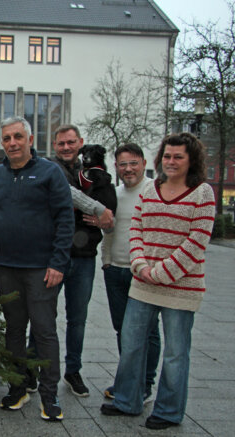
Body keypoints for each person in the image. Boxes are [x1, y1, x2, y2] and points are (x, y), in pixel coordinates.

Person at [100, 133, 215, 430]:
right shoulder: (151, 189)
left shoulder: (202, 193)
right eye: (167, 156)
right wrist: (140, 264)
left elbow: (197, 241)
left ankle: (168, 410)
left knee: (176, 353)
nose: (171, 161)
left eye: (178, 156)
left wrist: (161, 272)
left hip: (181, 287)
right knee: (132, 343)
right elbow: (135, 228)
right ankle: (127, 400)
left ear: (191, 160)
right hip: (143, 283)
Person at [0, 116, 74, 421]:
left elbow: (66, 221)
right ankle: (18, 387)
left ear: (30, 140)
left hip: (42, 270)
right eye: (6, 139)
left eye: (17, 137)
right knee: (14, 330)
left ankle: (49, 395)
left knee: (44, 332)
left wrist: (58, 263)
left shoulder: (50, 173)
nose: (12, 143)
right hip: (7, 268)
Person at [48, 124, 115, 397]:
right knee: (43, 316)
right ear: (55, 146)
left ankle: (73, 370)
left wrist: (104, 216)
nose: (66, 147)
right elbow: (63, 195)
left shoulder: (94, 172)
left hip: (85, 257)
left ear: (81, 143)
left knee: (78, 319)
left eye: (71, 142)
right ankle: (34, 367)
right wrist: (99, 209)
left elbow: (110, 217)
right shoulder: (48, 170)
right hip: (54, 256)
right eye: (61, 143)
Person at [96, 143, 161, 402]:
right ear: (116, 167)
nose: (128, 169)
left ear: (144, 163)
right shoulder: (114, 194)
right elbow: (108, 230)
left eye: (133, 163)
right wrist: (107, 261)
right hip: (116, 271)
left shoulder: (154, 192)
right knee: (122, 329)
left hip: (143, 273)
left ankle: (145, 384)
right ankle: (127, 379)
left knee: (148, 330)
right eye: (122, 164)